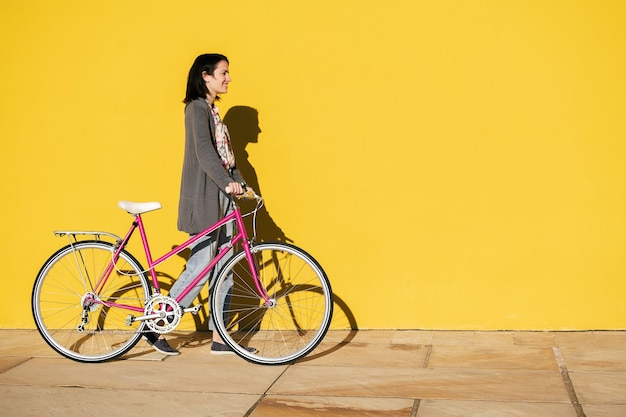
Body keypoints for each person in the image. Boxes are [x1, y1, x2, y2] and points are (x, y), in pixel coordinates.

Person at [145, 53, 253, 355]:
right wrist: (227, 182)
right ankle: (155, 324)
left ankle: (221, 339)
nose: (228, 78)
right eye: (223, 73)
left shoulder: (213, 111)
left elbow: (227, 158)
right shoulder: (196, 109)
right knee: (202, 265)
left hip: (223, 200)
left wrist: (241, 184)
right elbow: (205, 153)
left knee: (226, 270)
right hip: (205, 198)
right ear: (205, 76)